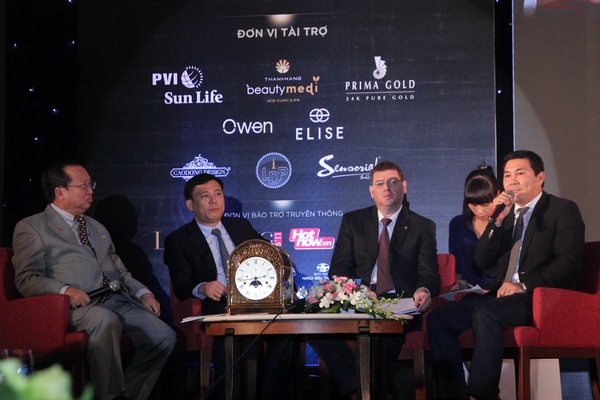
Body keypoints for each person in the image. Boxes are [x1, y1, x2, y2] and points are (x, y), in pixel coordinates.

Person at [11, 160, 177, 400]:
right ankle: (108, 395)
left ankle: (127, 396)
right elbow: (27, 279)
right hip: (75, 308)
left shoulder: (97, 227)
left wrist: (143, 292)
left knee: (164, 336)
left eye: (91, 184)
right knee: (105, 320)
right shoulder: (32, 227)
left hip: (117, 300)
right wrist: (65, 290)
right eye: (83, 186)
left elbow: (120, 271)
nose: (91, 191)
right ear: (60, 192)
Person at [427, 150, 585, 400]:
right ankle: (454, 395)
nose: (512, 181)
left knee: (487, 313)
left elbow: (568, 262)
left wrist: (523, 284)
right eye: (508, 175)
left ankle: (483, 395)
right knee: (439, 319)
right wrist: (496, 223)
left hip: (538, 297)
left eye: (520, 173)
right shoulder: (505, 214)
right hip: (499, 295)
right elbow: (482, 260)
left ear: (540, 177)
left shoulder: (561, 209)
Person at [311, 160, 440, 399]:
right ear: (371, 191)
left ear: (404, 186)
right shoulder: (353, 221)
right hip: (358, 299)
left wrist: (423, 289)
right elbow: (338, 269)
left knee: (380, 338)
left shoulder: (422, 226)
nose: (386, 188)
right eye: (380, 183)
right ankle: (357, 386)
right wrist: (357, 292)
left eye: (393, 182)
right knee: (314, 324)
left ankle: (361, 392)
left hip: (399, 303)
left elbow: (429, 273)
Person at [163, 173, 297, 400]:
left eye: (218, 194)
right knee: (230, 333)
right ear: (190, 205)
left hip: (257, 297)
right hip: (220, 303)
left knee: (288, 329)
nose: (214, 200)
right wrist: (203, 287)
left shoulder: (240, 226)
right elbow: (182, 284)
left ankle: (271, 395)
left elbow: (270, 255)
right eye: (205, 196)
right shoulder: (179, 239)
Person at [448, 163, 500, 289]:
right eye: (474, 205)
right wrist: (459, 284)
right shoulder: (458, 224)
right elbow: (457, 264)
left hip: (500, 291)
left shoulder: (506, 223)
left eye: (485, 204)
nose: (480, 211)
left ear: (498, 195)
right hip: (470, 291)